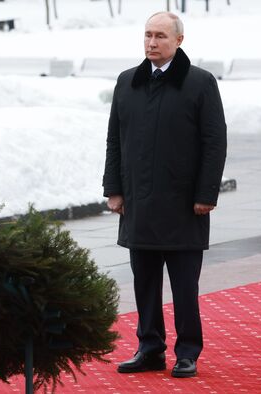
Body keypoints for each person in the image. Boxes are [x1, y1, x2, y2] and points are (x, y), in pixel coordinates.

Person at [102, 11, 227, 378]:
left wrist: (206, 194)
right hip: (138, 203)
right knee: (144, 283)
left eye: (160, 36)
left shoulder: (200, 83)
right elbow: (114, 140)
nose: (152, 42)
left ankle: (187, 352)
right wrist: (114, 189)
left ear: (178, 41)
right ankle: (150, 347)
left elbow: (214, 142)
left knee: (185, 287)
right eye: (147, 35)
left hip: (185, 205)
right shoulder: (127, 82)